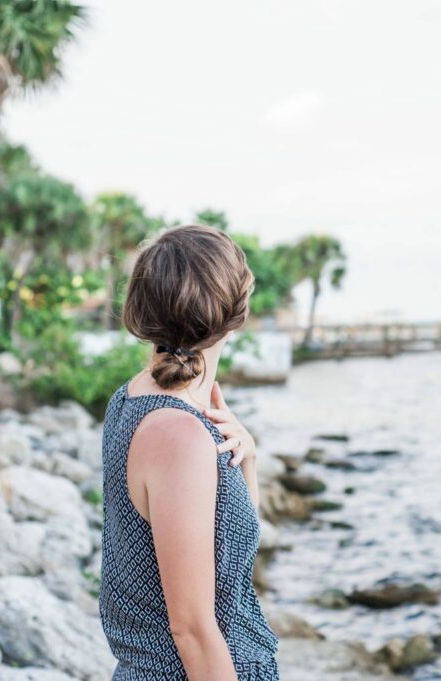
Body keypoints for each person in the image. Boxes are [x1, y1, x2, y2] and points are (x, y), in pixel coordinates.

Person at [98, 224, 280, 680]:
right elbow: (193, 631)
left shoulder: (134, 398)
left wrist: (247, 461)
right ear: (236, 313)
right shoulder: (178, 436)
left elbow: (227, 567)